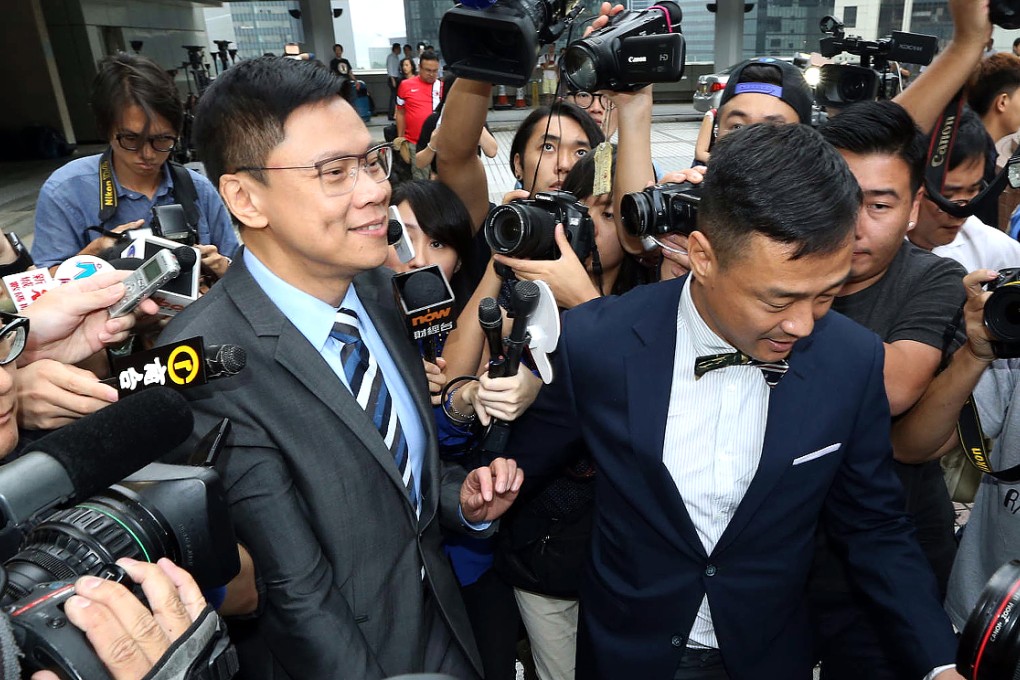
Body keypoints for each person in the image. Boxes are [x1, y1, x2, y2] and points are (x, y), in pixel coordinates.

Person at [487, 122, 963, 680]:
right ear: (704, 257)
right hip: (627, 654)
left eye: (828, 295)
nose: (803, 325)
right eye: (778, 299)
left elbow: (876, 527)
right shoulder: (601, 342)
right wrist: (481, 490)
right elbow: (518, 463)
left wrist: (938, 663)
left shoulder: (851, 360)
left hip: (768, 655)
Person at [159, 56, 520, 679]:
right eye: (334, 172)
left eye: (372, 160)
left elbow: (393, 463)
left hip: (443, 628)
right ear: (245, 198)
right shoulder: (205, 361)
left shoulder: (384, 292)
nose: (377, 189)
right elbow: (294, 588)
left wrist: (458, 499)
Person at [810, 100, 968, 680]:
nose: (854, 224)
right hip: (784, 541)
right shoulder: (770, 265)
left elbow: (895, 388)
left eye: (879, 205)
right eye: (839, 198)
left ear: (913, 209)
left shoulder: (932, 278)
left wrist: (789, 291)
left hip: (893, 540)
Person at [32, 53, 237, 276]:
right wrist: (97, 252)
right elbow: (43, 283)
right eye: (131, 139)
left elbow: (240, 270)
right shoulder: (66, 190)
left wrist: (221, 267)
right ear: (106, 129)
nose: (148, 154)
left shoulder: (198, 189)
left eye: (162, 139)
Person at [396, 49, 443, 180]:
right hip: (415, 143)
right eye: (428, 70)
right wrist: (400, 139)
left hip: (439, 145)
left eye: (435, 71)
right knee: (421, 183)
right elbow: (400, 112)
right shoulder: (405, 85)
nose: (432, 74)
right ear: (419, 68)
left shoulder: (442, 86)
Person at [386, 43, 402, 121]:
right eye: (399, 48)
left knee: (395, 97)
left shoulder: (396, 57)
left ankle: (393, 113)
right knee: (393, 97)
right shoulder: (391, 57)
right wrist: (393, 80)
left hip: (396, 78)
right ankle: (391, 114)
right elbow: (390, 69)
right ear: (395, 49)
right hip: (393, 79)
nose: (400, 50)